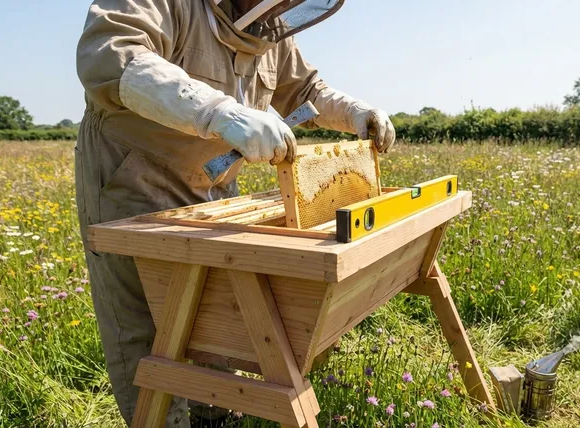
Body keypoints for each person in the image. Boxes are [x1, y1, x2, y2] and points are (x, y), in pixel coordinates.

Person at [74, 0, 396, 426]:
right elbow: (111, 55)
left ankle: (216, 417)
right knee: (146, 329)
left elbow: (306, 91)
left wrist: (354, 110)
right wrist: (218, 112)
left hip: (215, 188)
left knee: (214, 315)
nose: (283, 8)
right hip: (134, 178)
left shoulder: (270, 30)